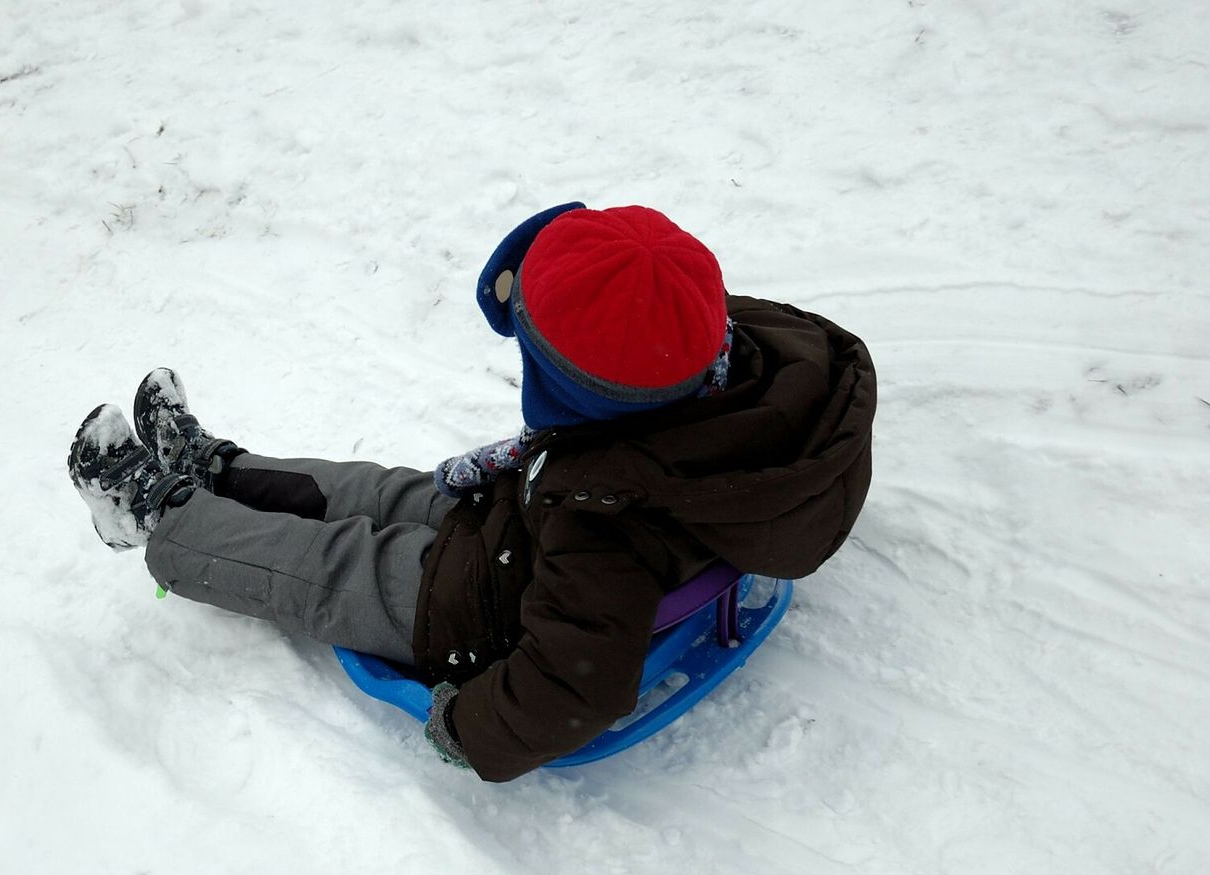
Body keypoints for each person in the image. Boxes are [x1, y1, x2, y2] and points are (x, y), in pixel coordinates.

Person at [67, 203, 876, 782]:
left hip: (476, 609)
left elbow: (575, 684)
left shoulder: (606, 529)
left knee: (329, 562)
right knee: (377, 492)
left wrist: (467, 726)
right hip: (514, 523)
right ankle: (216, 470)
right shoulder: (743, 369)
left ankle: (151, 513)